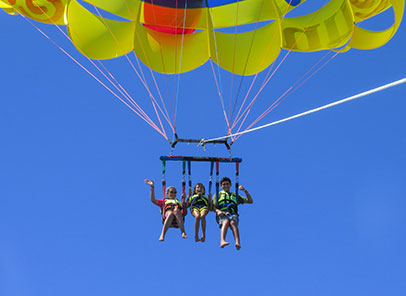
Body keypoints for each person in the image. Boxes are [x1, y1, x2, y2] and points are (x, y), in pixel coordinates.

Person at [212, 177, 253, 250]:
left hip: (232, 213)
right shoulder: (218, 194)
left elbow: (250, 201)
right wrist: (218, 211)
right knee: (226, 221)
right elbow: (212, 207)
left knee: (233, 223)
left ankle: (237, 242)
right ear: (221, 186)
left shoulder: (235, 195)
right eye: (224, 184)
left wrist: (244, 190)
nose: (226, 186)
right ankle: (222, 240)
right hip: (222, 213)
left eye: (227, 184)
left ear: (230, 185)